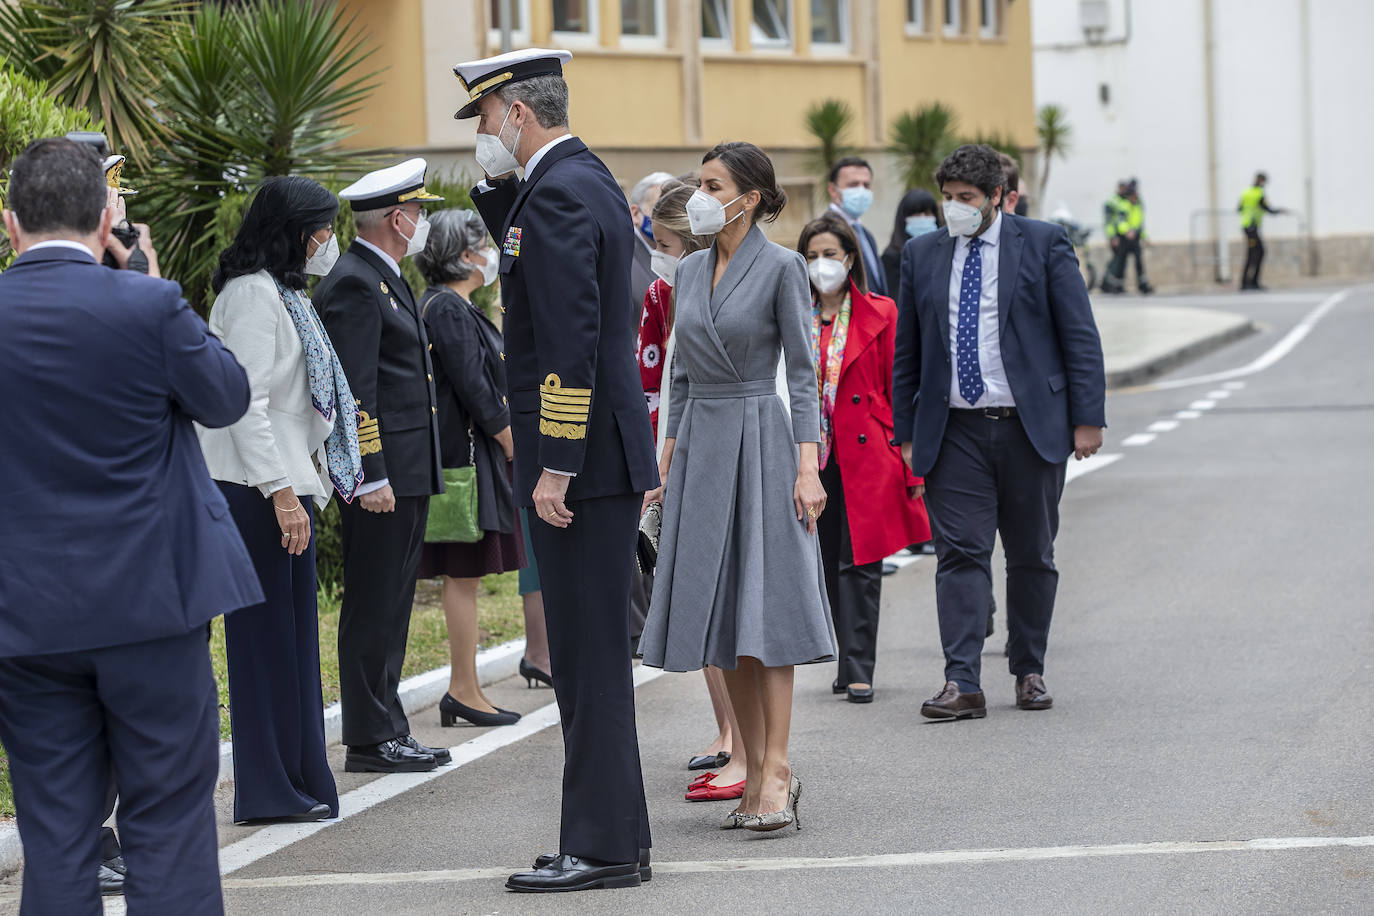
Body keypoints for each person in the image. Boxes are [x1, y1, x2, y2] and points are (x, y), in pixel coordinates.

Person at [0, 137, 261, 915]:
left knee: (57, 835)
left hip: (25, 616)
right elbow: (226, 398)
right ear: (109, 215)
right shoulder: (150, 306)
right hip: (152, 604)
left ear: (10, 225)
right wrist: (153, 286)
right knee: (170, 822)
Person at [456, 48, 659, 893]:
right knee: (585, 657)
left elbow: (572, 341)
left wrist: (558, 466)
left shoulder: (565, 190)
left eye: (485, 118)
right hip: (596, 461)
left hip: (579, 467)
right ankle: (611, 837)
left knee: (588, 657)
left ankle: (605, 847)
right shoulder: (573, 182)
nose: (481, 136)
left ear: (515, 113)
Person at [639, 141, 833, 833]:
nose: (699, 193)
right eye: (699, 181)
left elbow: (804, 376)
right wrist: (664, 461)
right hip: (700, 451)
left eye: (713, 183)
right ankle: (752, 765)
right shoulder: (689, 271)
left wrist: (808, 468)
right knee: (725, 622)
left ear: (747, 198)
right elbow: (682, 377)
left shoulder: (783, 268)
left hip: (762, 440)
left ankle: (776, 767)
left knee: (766, 617)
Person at [892, 144, 1106, 720]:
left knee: (1032, 554)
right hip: (954, 429)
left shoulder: (1041, 242)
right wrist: (906, 431)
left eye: (967, 199)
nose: (956, 208)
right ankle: (962, 682)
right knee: (960, 554)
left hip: (1029, 428)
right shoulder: (923, 254)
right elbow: (907, 350)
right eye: (949, 198)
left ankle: (1028, 669)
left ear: (996, 198)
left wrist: (1087, 419)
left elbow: (1078, 334)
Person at [198, 176, 364, 824]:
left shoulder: (283, 294)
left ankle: (300, 780)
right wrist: (281, 494)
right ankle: (268, 790)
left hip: (281, 487)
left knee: (292, 647)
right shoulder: (251, 296)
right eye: (322, 229)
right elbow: (246, 404)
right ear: (292, 231)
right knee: (263, 649)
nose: (329, 241)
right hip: (255, 491)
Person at [315, 159, 452, 775]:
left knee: (393, 602)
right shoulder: (354, 281)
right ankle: (371, 736)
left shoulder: (382, 275)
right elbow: (355, 393)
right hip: (381, 477)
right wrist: (369, 473)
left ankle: (386, 724)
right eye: (418, 211)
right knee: (374, 603)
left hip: (403, 472)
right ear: (398, 218)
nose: (422, 221)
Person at [633, 180, 746, 801]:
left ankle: (746, 744)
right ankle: (728, 730)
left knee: (724, 595)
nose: (660, 255)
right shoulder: (660, 293)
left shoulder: (724, 285)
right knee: (699, 597)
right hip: (672, 454)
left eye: (668, 244)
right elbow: (650, 378)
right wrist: (655, 462)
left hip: (721, 451)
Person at [798, 212, 930, 705]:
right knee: (826, 562)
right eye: (812, 256)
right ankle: (842, 654)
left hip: (867, 453)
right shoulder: (793, 312)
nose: (821, 264)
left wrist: (912, 464)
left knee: (862, 562)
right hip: (810, 456)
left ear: (850, 258)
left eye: (830, 254)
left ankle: (859, 667)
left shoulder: (882, 311)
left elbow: (903, 390)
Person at [413, 208, 526, 728]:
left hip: (468, 458)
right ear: (463, 255)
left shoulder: (453, 306)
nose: (491, 253)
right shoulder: (448, 309)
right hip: (465, 463)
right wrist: (509, 443)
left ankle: (469, 686)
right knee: (463, 575)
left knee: (469, 576)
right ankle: (462, 687)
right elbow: (476, 389)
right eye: (483, 244)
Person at [826, 155, 888, 296]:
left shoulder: (865, 234)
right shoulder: (826, 232)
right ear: (833, 190)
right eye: (853, 185)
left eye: (866, 185)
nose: (861, 191)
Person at [881, 189, 941, 311]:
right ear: (903, 218)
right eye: (916, 214)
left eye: (928, 213)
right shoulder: (892, 257)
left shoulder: (943, 253)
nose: (923, 219)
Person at [628, 170, 673, 310]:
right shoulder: (623, 256)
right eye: (659, 209)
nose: (669, 218)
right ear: (635, 214)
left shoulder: (685, 253)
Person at [1104, 179, 1153, 294]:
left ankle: (1143, 285)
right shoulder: (1123, 205)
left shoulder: (1139, 205)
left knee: (1139, 263)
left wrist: (1144, 236)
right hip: (1124, 237)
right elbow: (1120, 222)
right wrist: (1126, 231)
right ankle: (1117, 286)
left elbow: (1140, 223)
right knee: (1121, 262)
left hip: (1135, 237)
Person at [1239, 172, 1284, 291]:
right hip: (1252, 227)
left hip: (1247, 226)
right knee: (1256, 253)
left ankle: (1248, 282)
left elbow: (1239, 208)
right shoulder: (1259, 193)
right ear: (1261, 181)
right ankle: (1250, 283)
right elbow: (1267, 208)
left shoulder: (1246, 192)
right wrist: (1279, 211)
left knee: (1254, 253)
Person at [1100, 180, 1130, 293]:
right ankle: (1107, 285)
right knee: (1116, 261)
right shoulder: (1112, 201)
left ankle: (1117, 286)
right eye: (1123, 188)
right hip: (1115, 236)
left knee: (1121, 261)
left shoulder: (1124, 201)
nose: (1124, 191)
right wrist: (1112, 237)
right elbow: (1108, 221)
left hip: (1122, 236)